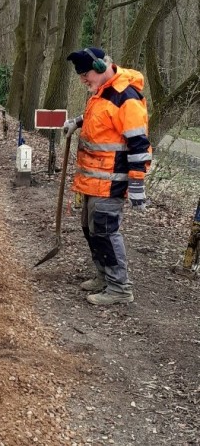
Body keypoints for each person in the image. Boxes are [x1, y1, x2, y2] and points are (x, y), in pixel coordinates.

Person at [63, 47, 152, 306]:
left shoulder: (127, 96)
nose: (83, 80)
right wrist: (78, 122)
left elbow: (138, 144)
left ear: (102, 68)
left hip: (112, 180)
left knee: (104, 231)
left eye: (85, 74)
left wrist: (136, 184)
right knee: (89, 229)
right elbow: (103, 118)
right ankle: (103, 275)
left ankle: (120, 287)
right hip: (92, 179)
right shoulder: (102, 91)